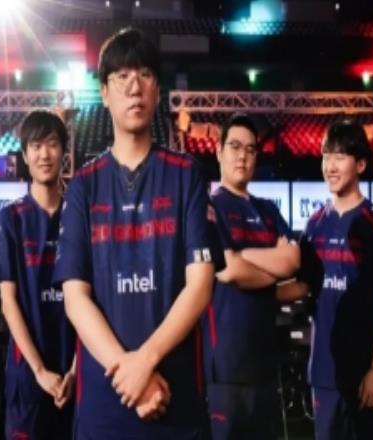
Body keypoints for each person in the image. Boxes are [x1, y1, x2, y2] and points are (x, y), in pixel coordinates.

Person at [53, 27, 217, 439]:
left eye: (144, 75)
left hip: (175, 397)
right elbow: (75, 298)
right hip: (105, 400)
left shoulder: (186, 175)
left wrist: (146, 361)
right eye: (122, 76)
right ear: (104, 93)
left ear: (157, 90)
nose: (134, 87)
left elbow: (200, 285)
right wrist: (129, 373)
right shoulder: (83, 185)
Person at [277, 120, 373, 440]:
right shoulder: (314, 225)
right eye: (326, 156)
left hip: (366, 374)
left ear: (361, 164)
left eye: (339, 156)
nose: (330, 166)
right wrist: (249, 295)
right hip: (324, 373)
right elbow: (303, 285)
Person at [202, 113, 300, 440]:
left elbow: (292, 262)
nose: (242, 156)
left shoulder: (268, 210)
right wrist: (272, 267)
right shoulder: (208, 207)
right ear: (218, 151)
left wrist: (242, 255)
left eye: (250, 149)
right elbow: (228, 271)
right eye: (234, 147)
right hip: (225, 366)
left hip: (265, 365)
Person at [0, 110, 76, 439]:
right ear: (25, 155)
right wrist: (39, 371)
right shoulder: (10, 219)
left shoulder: (80, 217)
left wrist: (76, 369)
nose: (44, 155)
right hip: (27, 375)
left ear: (64, 152)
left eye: (52, 144)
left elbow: (93, 297)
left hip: (76, 375)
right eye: (36, 146)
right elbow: (8, 303)